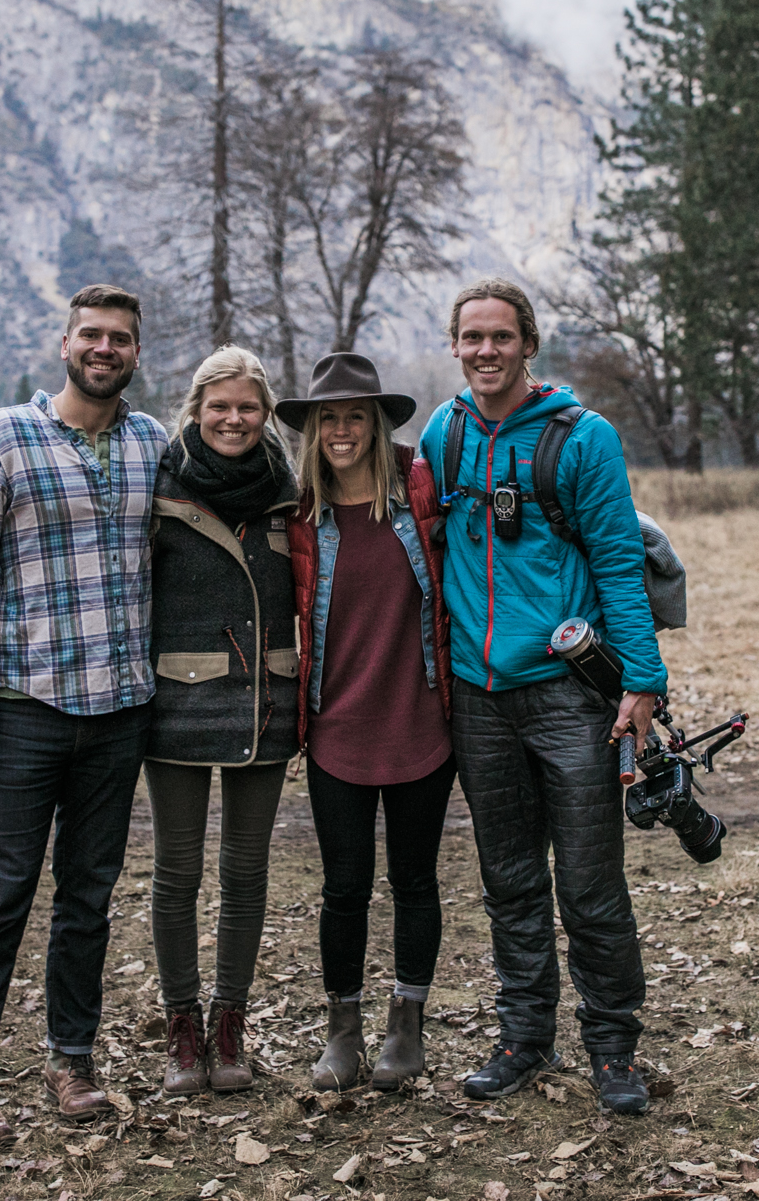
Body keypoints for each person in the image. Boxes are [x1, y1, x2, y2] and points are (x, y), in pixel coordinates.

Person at [419, 276, 666, 1115]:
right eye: (471, 337)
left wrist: (643, 681)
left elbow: (618, 563)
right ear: (455, 346)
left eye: (500, 336)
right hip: (479, 700)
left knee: (591, 882)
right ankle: (525, 1037)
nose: (485, 350)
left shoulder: (582, 438)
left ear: (528, 342)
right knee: (510, 879)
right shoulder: (443, 435)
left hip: (570, 696)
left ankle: (612, 1048)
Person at [0, 284, 168, 1143]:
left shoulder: (152, 444)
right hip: (25, 704)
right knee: (2, 892)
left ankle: (73, 1061)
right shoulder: (2, 436)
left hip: (120, 708)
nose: (105, 349)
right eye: (92, 335)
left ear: (137, 352)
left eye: (121, 339)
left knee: (89, 896)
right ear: (65, 342)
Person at [279, 353, 454, 1093]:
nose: (342, 430)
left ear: (378, 425)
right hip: (336, 730)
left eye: (356, 416)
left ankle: (406, 1027)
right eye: (329, 419)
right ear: (313, 431)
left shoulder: (423, 492)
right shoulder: (298, 518)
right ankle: (342, 1031)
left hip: (422, 723)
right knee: (344, 886)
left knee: (415, 879)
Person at [145, 346, 301, 1095]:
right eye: (220, 407)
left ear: (265, 412)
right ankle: (180, 1027)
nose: (233, 419)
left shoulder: (290, 489)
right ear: (196, 409)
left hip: (266, 703)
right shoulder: (160, 479)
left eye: (247, 407)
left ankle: (228, 1022)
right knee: (176, 873)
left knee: (246, 872)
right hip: (174, 702)